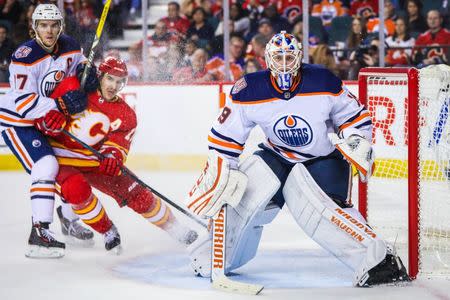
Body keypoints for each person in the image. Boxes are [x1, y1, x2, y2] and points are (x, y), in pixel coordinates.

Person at [185, 31, 410, 287]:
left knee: (325, 212)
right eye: (278, 58)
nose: (283, 64)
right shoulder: (249, 88)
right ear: (266, 60)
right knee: (243, 198)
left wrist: (356, 139)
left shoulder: (323, 80)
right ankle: (216, 254)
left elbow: (353, 117)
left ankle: (380, 261)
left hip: (322, 159)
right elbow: (225, 137)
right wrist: (224, 168)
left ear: (300, 58)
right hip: (276, 156)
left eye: (289, 57)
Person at [42, 57, 199, 253]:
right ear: (100, 76)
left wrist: (113, 157)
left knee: (138, 194)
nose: (114, 86)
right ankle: (105, 229)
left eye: (119, 81)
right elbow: (44, 115)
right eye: (110, 79)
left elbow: (118, 146)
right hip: (63, 158)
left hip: (94, 162)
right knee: (76, 191)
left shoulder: (125, 114)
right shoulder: (78, 90)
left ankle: (176, 229)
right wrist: (51, 119)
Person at [0, 3, 97, 258]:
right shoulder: (24, 57)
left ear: (60, 26)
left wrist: (88, 73)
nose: (49, 30)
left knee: (76, 164)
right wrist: (60, 104)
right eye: (44, 25)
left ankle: (67, 217)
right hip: (18, 122)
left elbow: (80, 64)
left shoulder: (71, 45)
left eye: (54, 25)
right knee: (46, 166)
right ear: (34, 28)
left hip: (49, 119)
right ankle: (39, 232)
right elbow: (23, 103)